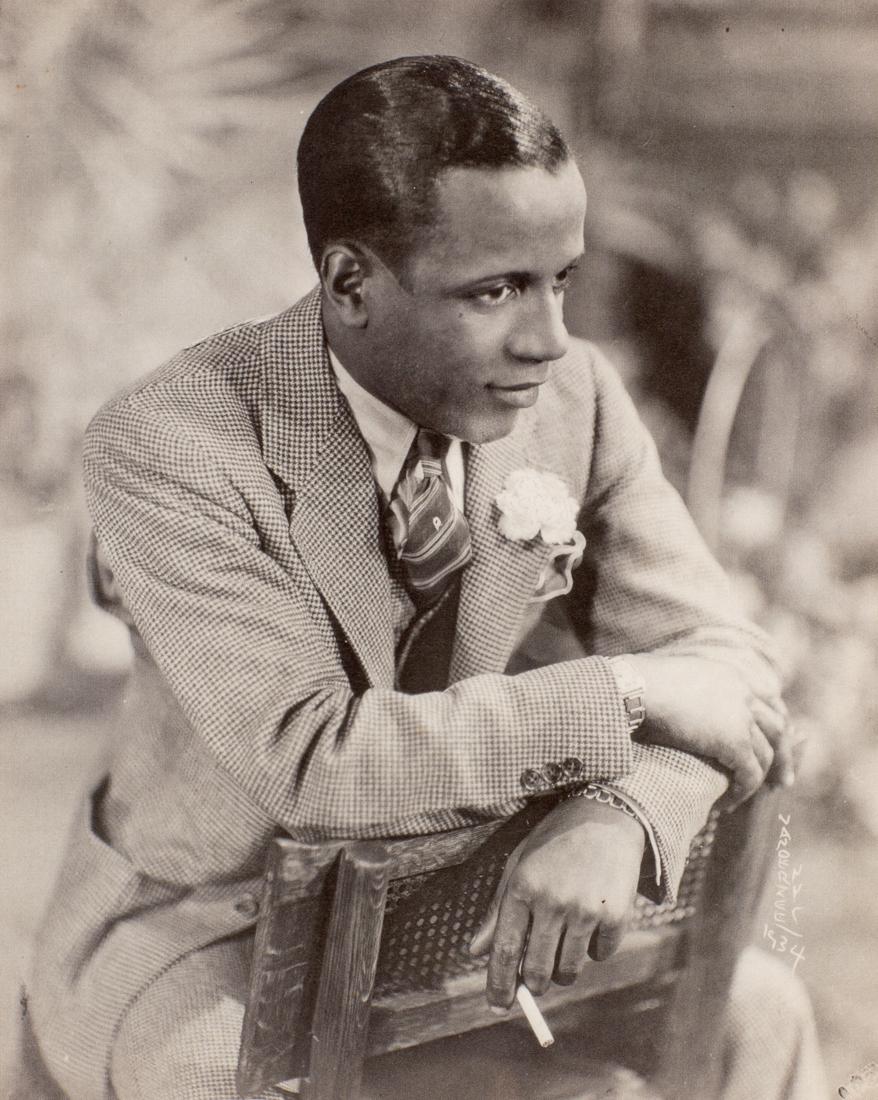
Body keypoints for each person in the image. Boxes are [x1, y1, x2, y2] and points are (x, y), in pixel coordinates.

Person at [30, 55, 825, 1099]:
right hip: (216, 919)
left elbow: (723, 664)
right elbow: (314, 761)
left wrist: (620, 813)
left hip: (472, 896)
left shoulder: (572, 397)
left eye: (559, 281)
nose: (546, 339)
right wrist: (622, 692)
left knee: (761, 1012)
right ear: (350, 282)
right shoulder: (171, 442)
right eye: (493, 289)